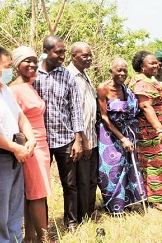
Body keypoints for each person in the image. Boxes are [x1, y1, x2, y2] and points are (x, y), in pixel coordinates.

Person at [0, 46, 35, 242]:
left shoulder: (4, 89)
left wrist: (31, 140)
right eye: (7, 67)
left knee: (14, 208)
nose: (10, 71)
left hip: (17, 154)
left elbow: (21, 117)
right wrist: (14, 147)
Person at [33, 35, 84, 232]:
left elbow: (75, 109)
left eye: (64, 52)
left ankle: (71, 223)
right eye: (58, 52)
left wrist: (77, 139)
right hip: (40, 141)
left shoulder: (66, 75)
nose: (63, 56)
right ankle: (42, 225)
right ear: (46, 51)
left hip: (64, 139)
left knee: (70, 184)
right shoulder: (33, 73)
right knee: (40, 186)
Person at [9, 46, 52, 242]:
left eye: (35, 60)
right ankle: (44, 238)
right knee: (37, 193)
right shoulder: (14, 90)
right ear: (16, 64)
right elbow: (13, 121)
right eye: (27, 61)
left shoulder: (30, 85)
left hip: (41, 144)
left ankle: (30, 236)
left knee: (33, 192)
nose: (32, 65)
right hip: (30, 145)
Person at [96, 58, 147, 214]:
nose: (122, 73)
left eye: (125, 70)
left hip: (126, 131)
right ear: (111, 71)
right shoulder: (102, 88)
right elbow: (104, 117)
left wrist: (128, 136)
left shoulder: (126, 89)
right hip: (109, 134)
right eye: (119, 70)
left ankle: (126, 203)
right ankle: (113, 206)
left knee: (127, 166)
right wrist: (122, 138)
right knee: (112, 169)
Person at [130, 51, 162, 210]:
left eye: (157, 63)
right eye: (152, 63)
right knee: (153, 165)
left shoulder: (148, 80)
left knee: (160, 163)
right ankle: (155, 200)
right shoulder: (142, 83)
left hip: (155, 132)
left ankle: (161, 197)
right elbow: (145, 106)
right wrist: (159, 129)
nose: (157, 65)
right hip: (150, 133)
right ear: (142, 66)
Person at [66, 42, 98, 222]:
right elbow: (72, 110)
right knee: (81, 180)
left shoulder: (84, 75)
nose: (88, 58)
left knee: (90, 179)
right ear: (73, 56)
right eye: (84, 56)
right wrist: (81, 138)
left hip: (91, 136)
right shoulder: (69, 76)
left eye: (90, 55)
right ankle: (80, 217)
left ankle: (89, 213)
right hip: (80, 137)